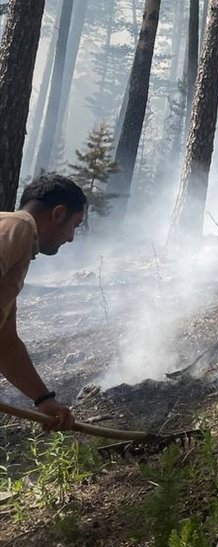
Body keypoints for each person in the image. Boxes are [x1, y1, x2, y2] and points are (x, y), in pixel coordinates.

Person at [1, 174, 87, 431]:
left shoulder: (17, 249)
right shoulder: (19, 226)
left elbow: (6, 346)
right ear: (58, 214)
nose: (71, 238)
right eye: (76, 224)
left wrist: (45, 400)